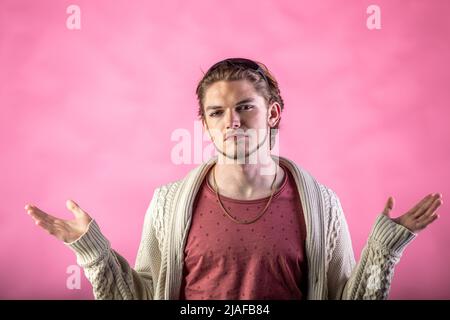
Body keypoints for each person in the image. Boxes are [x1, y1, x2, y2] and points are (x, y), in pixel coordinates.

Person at [25, 58, 443, 300]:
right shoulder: (169, 204)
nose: (232, 123)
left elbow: (340, 297)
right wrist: (93, 250)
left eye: (246, 107)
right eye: (217, 112)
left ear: (273, 113)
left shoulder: (320, 204)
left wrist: (385, 249)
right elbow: (142, 295)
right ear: (204, 125)